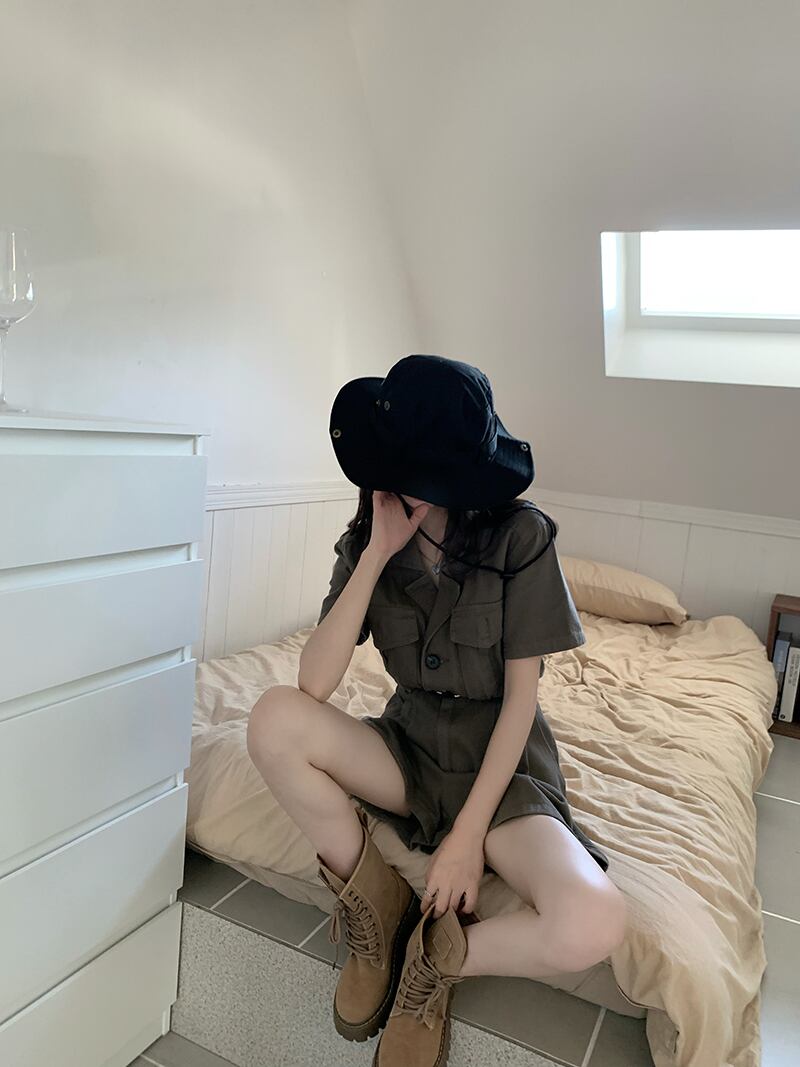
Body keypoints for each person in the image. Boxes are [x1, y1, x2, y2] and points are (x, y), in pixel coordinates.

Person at [246, 355, 627, 1067]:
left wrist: (467, 838)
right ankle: (378, 906)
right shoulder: (370, 538)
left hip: (502, 769)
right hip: (410, 749)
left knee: (593, 919)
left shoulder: (521, 538)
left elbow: (521, 702)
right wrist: (376, 553)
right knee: (273, 718)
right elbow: (313, 682)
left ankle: (434, 959)